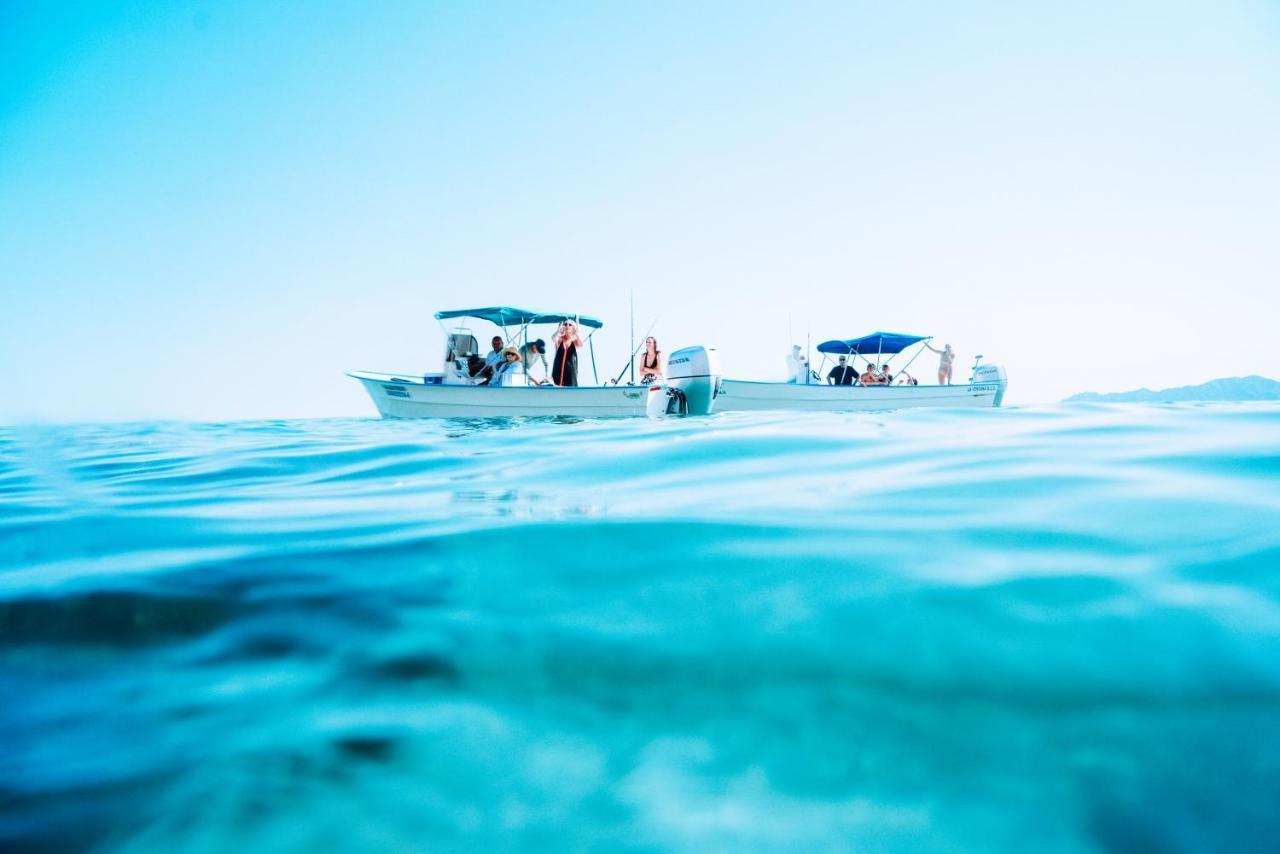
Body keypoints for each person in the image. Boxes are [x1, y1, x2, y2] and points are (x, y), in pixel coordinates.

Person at [553, 320, 584, 386]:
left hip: (570, 372)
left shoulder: (575, 340)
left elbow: (581, 344)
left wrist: (577, 332)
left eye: (570, 325)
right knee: (557, 384)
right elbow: (553, 338)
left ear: (573, 328)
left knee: (571, 385)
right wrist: (558, 330)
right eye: (565, 324)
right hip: (558, 370)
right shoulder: (559, 339)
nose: (567, 326)